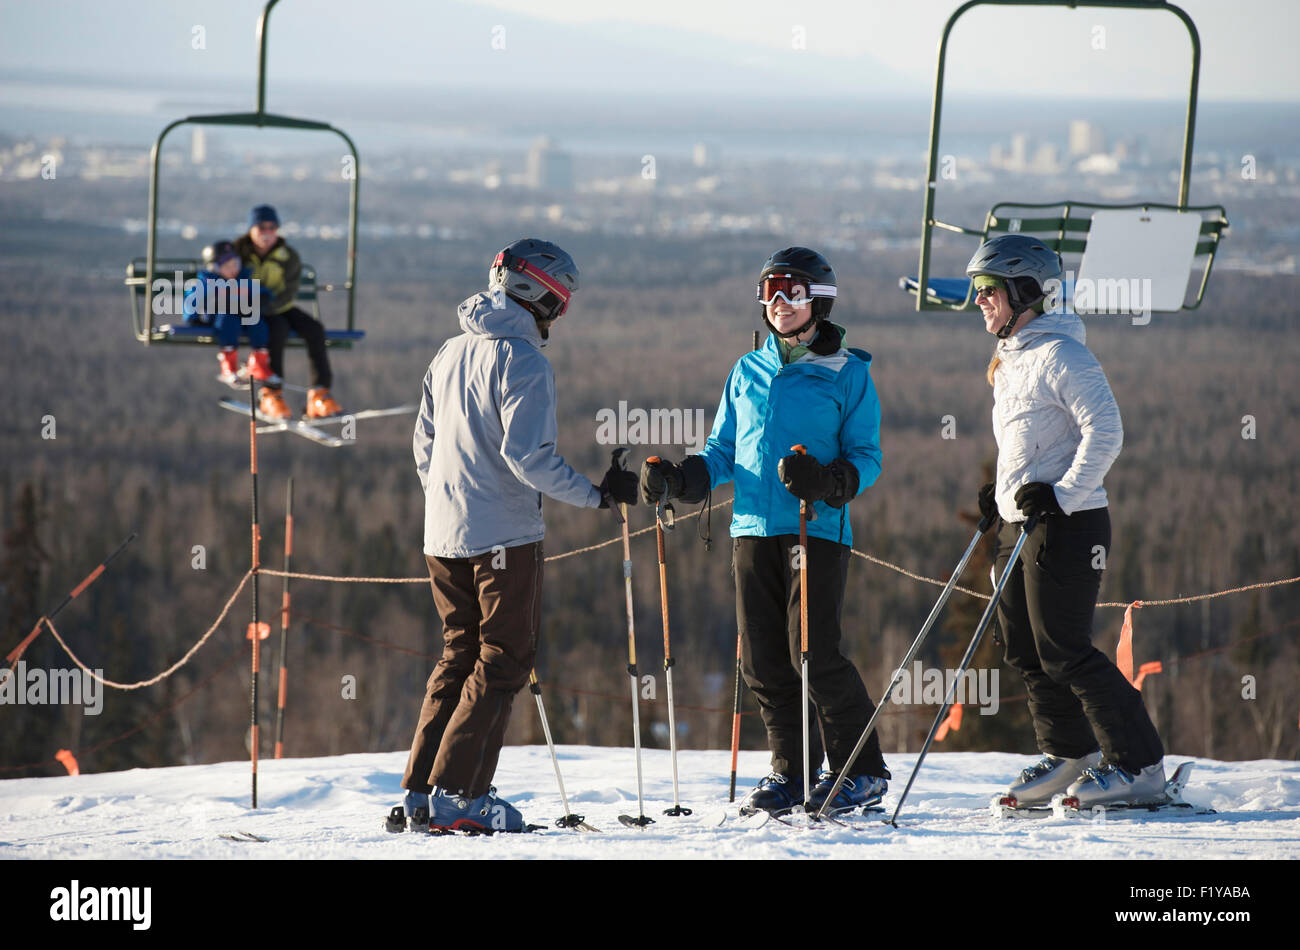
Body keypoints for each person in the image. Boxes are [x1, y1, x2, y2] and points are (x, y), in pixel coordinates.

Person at [398, 238, 638, 834]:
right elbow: (528, 457)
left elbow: (423, 449)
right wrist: (596, 494)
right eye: (561, 300)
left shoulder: (449, 350)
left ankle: (422, 792)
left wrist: (449, 503)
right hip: (502, 535)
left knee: (459, 653)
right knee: (503, 660)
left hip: (443, 533)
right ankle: (462, 796)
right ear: (539, 293)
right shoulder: (524, 361)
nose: (562, 313)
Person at [642, 246, 890, 816]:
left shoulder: (849, 373)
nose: (779, 303)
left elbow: (867, 458)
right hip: (751, 527)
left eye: (793, 292)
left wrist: (826, 481)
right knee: (763, 661)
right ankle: (791, 773)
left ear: (818, 301)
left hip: (815, 530)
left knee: (815, 656)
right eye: (769, 291)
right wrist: (681, 479)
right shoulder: (746, 369)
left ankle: (861, 771)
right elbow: (722, 451)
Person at [969, 233, 1166, 809]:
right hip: (1022, 524)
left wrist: (1062, 494)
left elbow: (1106, 431)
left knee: (1064, 648)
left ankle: (1139, 765)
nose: (978, 300)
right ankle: (1069, 753)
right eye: (977, 290)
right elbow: (1033, 445)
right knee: (1025, 648)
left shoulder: (1063, 355)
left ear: (1025, 292)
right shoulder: (1012, 359)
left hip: (1069, 523)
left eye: (988, 290)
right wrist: (1001, 496)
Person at [233, 204, 341, 421]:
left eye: (272, 227)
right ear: (251, 229)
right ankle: (271, 393)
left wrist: (269, 306)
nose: (267, 233)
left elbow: (289, 291)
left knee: (313, 329)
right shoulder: (237, 254)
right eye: (261, 227)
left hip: (278, 307)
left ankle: (319, 393)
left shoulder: (287, 256)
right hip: (246, 310)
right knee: (277, 330)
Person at [183, 240, 274, 386]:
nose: (233, 269)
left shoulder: (242, 280)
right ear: (215, 268)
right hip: (219, 317)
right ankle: (229, 367)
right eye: (227, 266)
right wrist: (192, 318)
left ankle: (259, 363)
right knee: (229, 319)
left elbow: (258, 290)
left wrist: (264, 297)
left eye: (235, 265)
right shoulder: (208, 283)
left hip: (242, 315)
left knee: (257, 323)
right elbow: (192, 299)